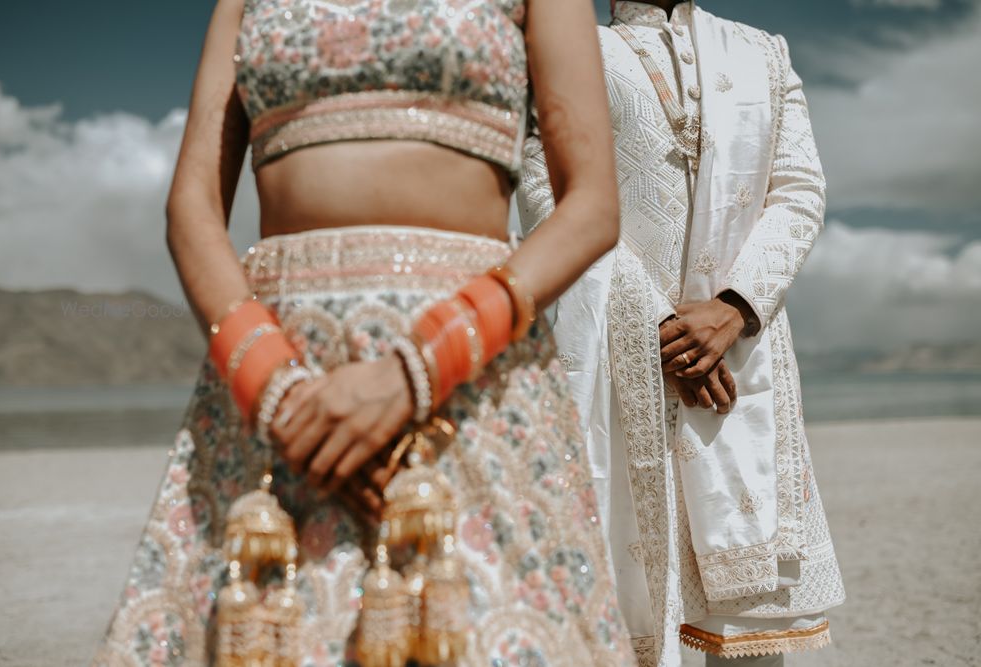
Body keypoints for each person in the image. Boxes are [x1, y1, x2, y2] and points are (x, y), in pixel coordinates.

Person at [92, 0, 637, 664]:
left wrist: (414, 371)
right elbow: (192, 207)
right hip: (277, 380)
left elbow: (592, 207)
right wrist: (278, 389)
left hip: (469, 379)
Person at [518, 1, 845, 665]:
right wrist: (655, 323)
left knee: (749, 635)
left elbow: (801, 188)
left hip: (743, 353)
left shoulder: (762, 51)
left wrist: (735, 306)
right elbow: (543, 184)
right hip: (616, 350)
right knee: (622, 602)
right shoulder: (569, 45)